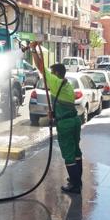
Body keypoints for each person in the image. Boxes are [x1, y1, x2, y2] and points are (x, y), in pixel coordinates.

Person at [30, 44, 83, 194]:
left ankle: (75, 185)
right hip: (75, 121)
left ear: (57, 73)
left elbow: (40, 67)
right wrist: (54, 113)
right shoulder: (68, 85)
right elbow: (64, 104)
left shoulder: (55, 82)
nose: (49, 76)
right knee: (76, 151)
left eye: (52, 73)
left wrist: (33, 50)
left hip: (65, 125)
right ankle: (77, 179)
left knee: (68, 154)